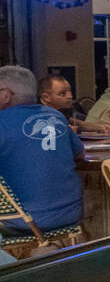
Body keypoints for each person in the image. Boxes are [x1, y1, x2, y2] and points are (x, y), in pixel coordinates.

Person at [0, 66, 84, 239]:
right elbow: (79, 155)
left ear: (6, 95)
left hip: (22, 222)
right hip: (70, 215)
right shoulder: (56, 116)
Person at [38, 75, 110, 134]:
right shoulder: (38, 116)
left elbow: (73, 122)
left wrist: (98, 127)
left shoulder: (63, 110)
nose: (69, 96)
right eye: (62, 94)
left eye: (69, 91)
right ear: (46, 98)